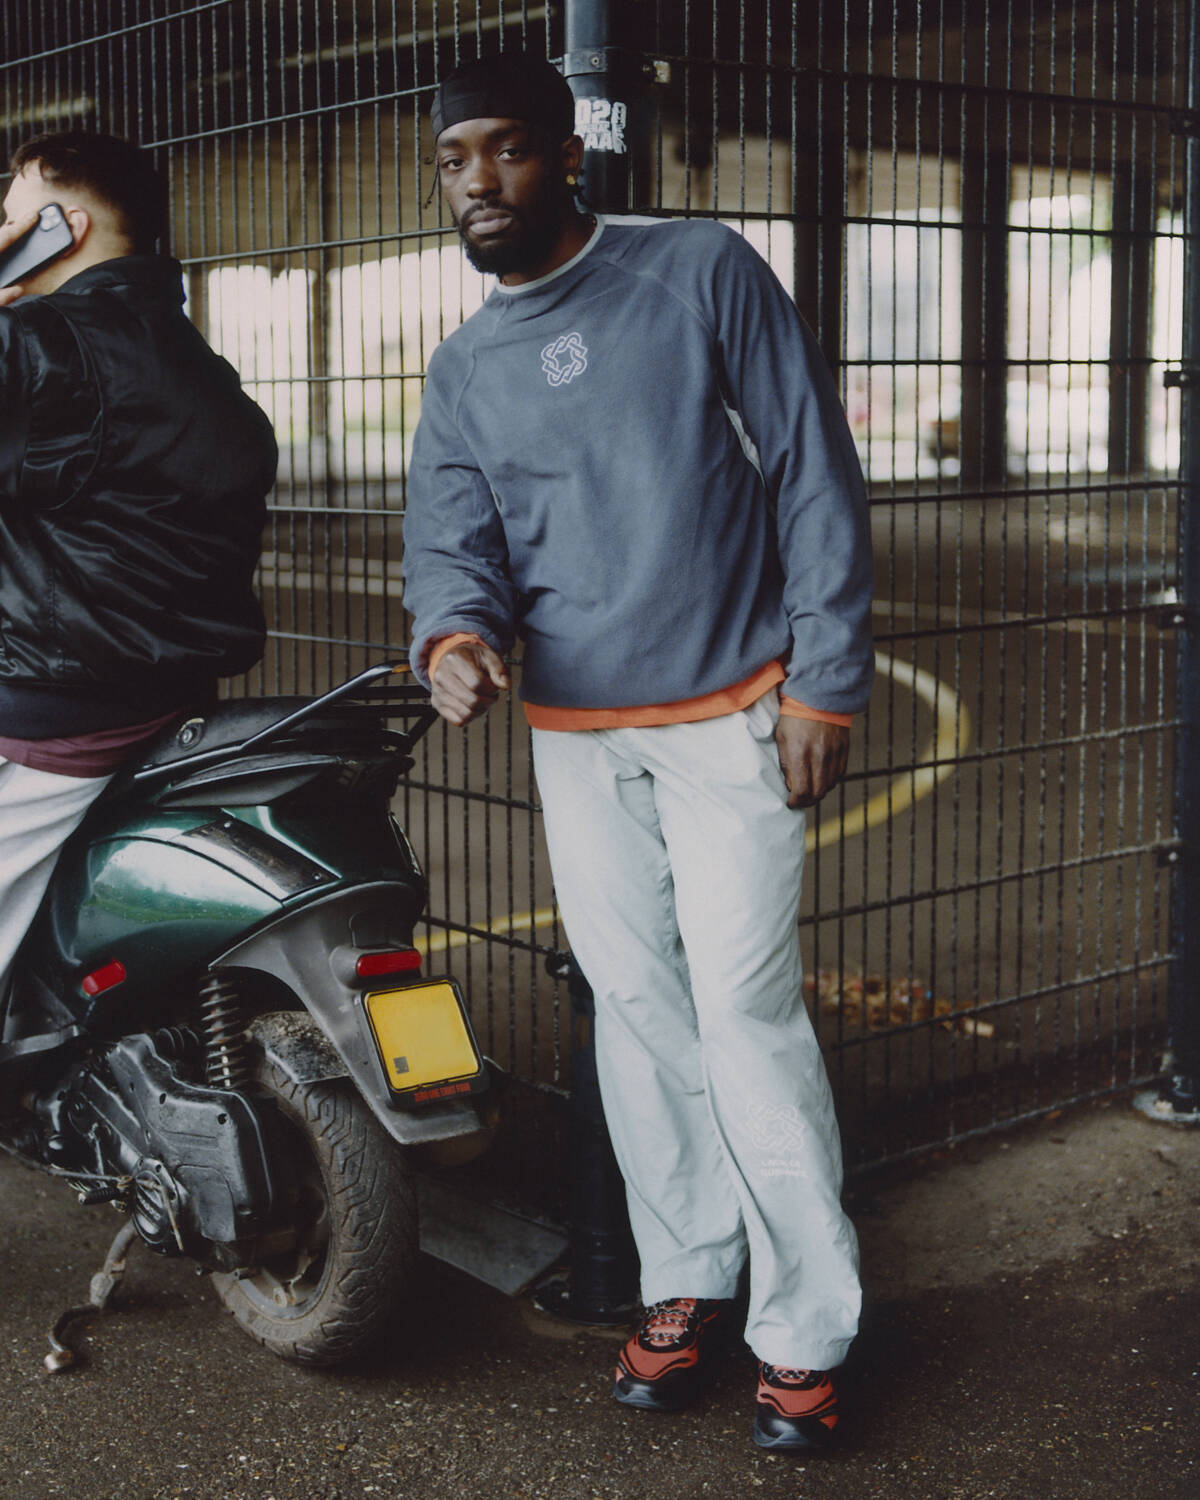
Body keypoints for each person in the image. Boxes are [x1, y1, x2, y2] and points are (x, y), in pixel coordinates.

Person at [402, 52, 873, 1453]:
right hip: (577, 737)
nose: (478, 181)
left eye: (506, 149)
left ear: (568, 155)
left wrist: (828, 681)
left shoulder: (697, 270)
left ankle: (806, 1329)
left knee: (744, 1012)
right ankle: (689, 1276)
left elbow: (812, 465)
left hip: (734, 714)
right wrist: (453, 638)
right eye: (453, 160)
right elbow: (452, 547)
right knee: (639, 1010)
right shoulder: (465, 367)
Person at [0, 131, 277, 1008]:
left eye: (10, 218)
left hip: (57, 703)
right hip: (166, 692)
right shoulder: (199, 362)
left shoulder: (41, 347)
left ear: (63, 226)